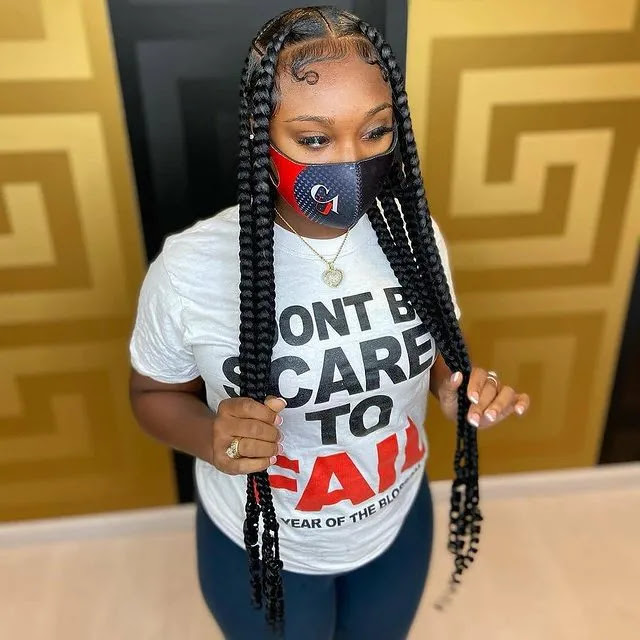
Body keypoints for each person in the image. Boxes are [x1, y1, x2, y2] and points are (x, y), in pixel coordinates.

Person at [128, 6, 530, 640]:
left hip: (396, 525)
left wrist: (456, 388)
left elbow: (436, 350)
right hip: (261, 544)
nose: (352, 161)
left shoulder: (413, 235)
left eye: (375, 132)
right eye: (314, 139)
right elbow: (152, 394)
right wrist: (213, 438)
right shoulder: (190, 268)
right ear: (262, 134)